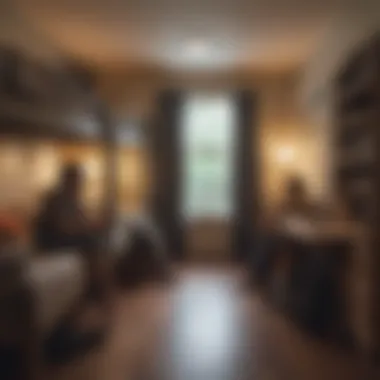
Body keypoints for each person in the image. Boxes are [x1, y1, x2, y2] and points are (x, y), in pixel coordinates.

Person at [34, 163, 99, 252]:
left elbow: (81, 220)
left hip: (64, 239)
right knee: (90, 240)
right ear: (66, 180)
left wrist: (91, 225)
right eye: (76, 180)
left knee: (94, 237)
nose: (78, 184)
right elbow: (65, 226)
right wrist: (86, 227)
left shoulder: (72, 200)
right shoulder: (57, 199)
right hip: (55, 243)